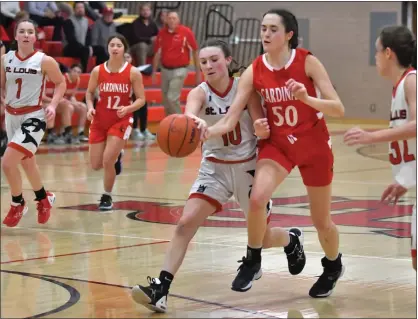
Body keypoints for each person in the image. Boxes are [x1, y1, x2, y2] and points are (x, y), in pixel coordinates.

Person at [131, 39, 306, 313]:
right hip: (214, 168)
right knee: (184, 224)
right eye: (203, 62)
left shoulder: (244, 89)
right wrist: (192, 123)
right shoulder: (199, 93)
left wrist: (261, 128)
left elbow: (261, 124)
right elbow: (189, 115)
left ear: (228, 60)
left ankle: (291, 239)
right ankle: (160, 289)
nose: (208, 66)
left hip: (248, 167)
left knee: (263, 237)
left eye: (214, 59)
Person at [205, 9, 346, 298]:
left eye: (272, 29)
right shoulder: (255, 69)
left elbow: (338, 108)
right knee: (257, 199)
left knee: (322, 223)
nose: (265, 34)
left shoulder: (307, 61)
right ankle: (253, 260)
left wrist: (307, 98)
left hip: (314, 145)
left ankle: (333, 266)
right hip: (279, 145)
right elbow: (231, 117)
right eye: (263, 29)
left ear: (289, 35)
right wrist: (207, 132)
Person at [344, 25, 416, 271]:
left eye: (376, 52)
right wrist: (405, 180)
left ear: (388, 53)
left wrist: (370, 137)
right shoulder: (399, 87)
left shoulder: (412, 82)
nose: (374, 58)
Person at [1, 19, 66, 227]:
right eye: (22, 31)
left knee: (7, 162)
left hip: (34, 117)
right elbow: (2, 86)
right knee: (27, 163)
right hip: (11, 115)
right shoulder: (5, 60)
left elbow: (60, 83)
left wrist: (53, 106)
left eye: (31, 31)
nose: (27, 35)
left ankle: (17, 202)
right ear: (16, 36)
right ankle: (43, 198)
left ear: (35, 36)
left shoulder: (44, 60)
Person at [85, 35, 146, 210]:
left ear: (124, 49)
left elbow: (141, 99)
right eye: (112, 44)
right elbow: (89, 93)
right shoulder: (97, 71)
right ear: (108, 48)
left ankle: (107, 196)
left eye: (119, 45)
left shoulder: (133, 72)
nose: (115, 48)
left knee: (106, 161)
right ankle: (116, 157)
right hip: (99, 120)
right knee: (96, 165)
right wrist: (90, 108)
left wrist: (128, 109)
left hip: (121, 120)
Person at [124, 52, 154, 141]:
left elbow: (149, 69)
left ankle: (143, 129)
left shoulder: (134, 70)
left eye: (128, 57)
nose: (126, 59)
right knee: (135, 101)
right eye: (124, 57)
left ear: (131, 59)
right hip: (121, 97)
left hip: (133, 96)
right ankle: (134, 129)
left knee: (142, 102)